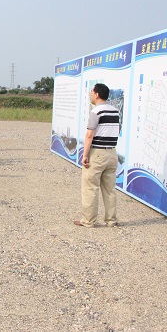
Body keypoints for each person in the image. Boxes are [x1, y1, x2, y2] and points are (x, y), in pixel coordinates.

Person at [74, 83, 120, 228]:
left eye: (92, 92)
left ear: (97, 94)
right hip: (112, 153)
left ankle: (88, 220)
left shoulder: (96, 111)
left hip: (98, 153)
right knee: (110, 189)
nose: (90, 94)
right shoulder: (115, 111)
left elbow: (90, 134)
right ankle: (111, 220)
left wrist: (85, 155)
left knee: (90, 187)